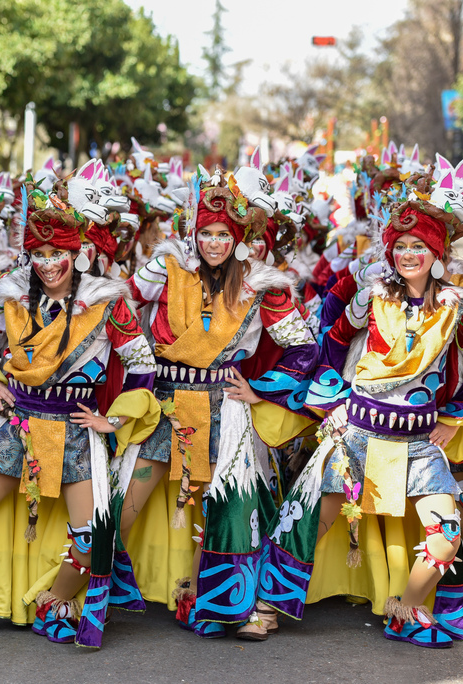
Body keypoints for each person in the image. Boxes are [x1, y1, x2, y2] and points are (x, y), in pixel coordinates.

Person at [262, 162, 463, 650]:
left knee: (445, 536)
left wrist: (452, 418)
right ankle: (266, 607)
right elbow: (331, 346)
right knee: (308, 523)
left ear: (436, 252)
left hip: (419, 444)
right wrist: (332, 400)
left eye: (418, 246)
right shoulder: (371, 296)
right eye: (399, 246)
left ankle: (408, 608)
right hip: (357, 434)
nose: (408, 254)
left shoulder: (456, 307)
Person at [0, 192, 160, 648]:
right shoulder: (12, 295)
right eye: (39, 254)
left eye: (57, 253)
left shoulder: (106, 302)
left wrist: (113, 421)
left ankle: (55, 602)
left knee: (92, 536)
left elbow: (142, 365)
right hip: (16, 423)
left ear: (76, 254)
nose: (47, 264)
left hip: (76, 429)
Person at [118, 175, 318, 641]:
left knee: (226, 509)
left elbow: (303, 349)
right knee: (127, 498)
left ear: (240, 239)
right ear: (193, 234)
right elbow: (114, 311)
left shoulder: (261, 287)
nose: (213, 243)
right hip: (165, 405)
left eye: (224, 234)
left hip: (223, 411)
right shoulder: (165, 268)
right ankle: (96, 591)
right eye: (205, 233)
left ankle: (222, 602)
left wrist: (261, 389)